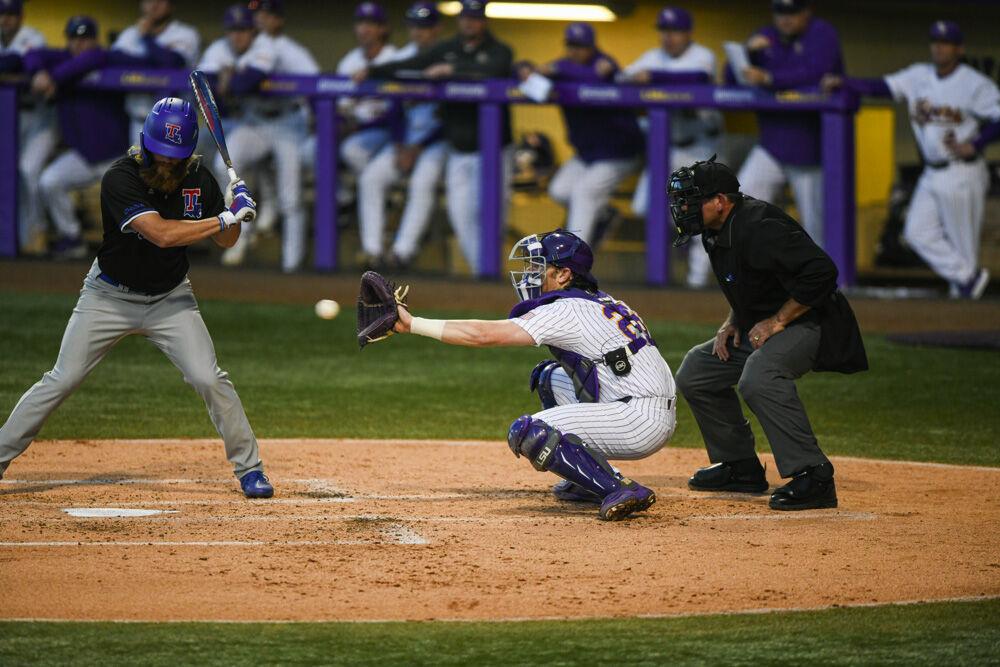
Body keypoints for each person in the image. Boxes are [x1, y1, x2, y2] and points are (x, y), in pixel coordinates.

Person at [0, 97, 271, 499]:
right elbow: (160, 233)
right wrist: (225, 218)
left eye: (172, 158)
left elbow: (225, 238)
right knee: (62, 379)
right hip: (107, 296)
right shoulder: (120, 177)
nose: (164, 164)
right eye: (159, 154)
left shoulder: (200, 178)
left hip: (170, 299)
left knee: (209, 378)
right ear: (145, 144)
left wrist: (237, 206)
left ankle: (250, 469)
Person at [389, 230, 677, 521]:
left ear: (564, 274)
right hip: (638, 402)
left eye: (539, 268)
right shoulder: (600, 301)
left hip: (639, 419)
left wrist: (412, 324)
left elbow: (483, 334)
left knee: (530, 432)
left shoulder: (567, 309)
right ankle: (586, 482)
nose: (530, 275)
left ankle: (619, 488)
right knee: (548, 377)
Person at [670, 157, 866, 511]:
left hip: (815, 322)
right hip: (766, 324)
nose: (683, 208)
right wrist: (732, 321)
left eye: (691, 199)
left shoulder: (760, 226)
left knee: (760, 377)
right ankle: (740, 467)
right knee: (698, 371)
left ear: (720, 201)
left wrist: (778, 321)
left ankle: (815, 475)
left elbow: (822, 272)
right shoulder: (716, 231)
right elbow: (751, 285)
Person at [823, 21, 998, 299]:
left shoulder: (975, 84)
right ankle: (968, 280)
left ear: (959, 48)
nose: (939, 47)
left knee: (963, 248)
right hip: (931, 173)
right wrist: (845, 82)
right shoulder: (919, 76)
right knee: (916, 232)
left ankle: (965, 306)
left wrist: (975, 144)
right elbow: (881, 87)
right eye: (936, 42)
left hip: (962, 172)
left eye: (946, 43)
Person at [361, 0, 515, 275]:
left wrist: (453, 72)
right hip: (459, 148)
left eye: (475, 17)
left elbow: (495, 71)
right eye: (465, 16)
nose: (469, 22)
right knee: (460, 215)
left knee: (492, 216)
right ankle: (485, 276)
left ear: (484, 21)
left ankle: (493, 274)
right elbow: (412, 64)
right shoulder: (448, 48)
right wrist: (372, 71)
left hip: (494, 150)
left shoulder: (500, 50)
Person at [211, 0, 320, 272]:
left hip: (288, 122)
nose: (260, 19)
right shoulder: (229, 48)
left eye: (265, 14)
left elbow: (249, 80)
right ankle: (240, 237)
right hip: (256, 121)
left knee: (291, 195)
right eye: (256, 13)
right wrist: (223, 83)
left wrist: (230, 81)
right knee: (222, 164)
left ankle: (292, 265)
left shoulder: (278, 49)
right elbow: (209, 82)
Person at [728, 0, 843, 248]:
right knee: (739, 210)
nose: (786, 19)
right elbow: (731, 78)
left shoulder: (822, 34)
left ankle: (828, 284)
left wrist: (770, 77)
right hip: (772, 146)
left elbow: (817, 73)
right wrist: (747, 52)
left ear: (807, 12)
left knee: (816, 228)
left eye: (792, 12)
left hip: (810, 151)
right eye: (780, 12)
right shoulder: (765, 36)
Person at [621, 6, 720, 287]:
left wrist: (653, 78)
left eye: (675, 31)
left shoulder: (702, 55)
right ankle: (686, 238)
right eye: (664, 31)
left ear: (687, 33)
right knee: (644, 207)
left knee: (699, 212)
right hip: (665, 148)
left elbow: (699, 79)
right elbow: (622, 77)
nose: (669, 37)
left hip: (699, 146)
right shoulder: (653, 57)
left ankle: (696, 283)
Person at [519, 22, 644, 246]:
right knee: (559, 191)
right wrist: (527, 69)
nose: (575, 51)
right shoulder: (563, 66)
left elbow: (596, 78)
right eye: (571, 45)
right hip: (587, 155)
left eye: (581, 46)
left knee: (583, 194)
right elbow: (526, 76)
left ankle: (574, 263)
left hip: (619, 154)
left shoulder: (605, 64)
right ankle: (605, 214)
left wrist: (556, 71)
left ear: (592, 46)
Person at [24, 16, 130, 259]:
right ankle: (71, 237)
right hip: (84, 155)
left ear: (95, 40)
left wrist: (53, 78)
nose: (80, 44)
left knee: (134, 207)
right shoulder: (62, 59)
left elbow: (95, 57)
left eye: (86, 38)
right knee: (49, 181)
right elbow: (31, 55)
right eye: (75, 39)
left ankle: (143, 251)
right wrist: (38, 72)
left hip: (116, 157)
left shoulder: (104, 58)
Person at [356, 1, 447, 269]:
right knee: (371, 178)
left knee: (422, 183)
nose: (419, 32)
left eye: (425, 27)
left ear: (437, 29)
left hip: (435, 141)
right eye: (415, 27)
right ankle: (372, 250)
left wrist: (418, 148)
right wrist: (398, 145)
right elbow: (394, 106)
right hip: (404, 139)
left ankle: (402, 252)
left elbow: (451, 114)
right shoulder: (402, 58)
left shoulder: (446, 58)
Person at [0, 0, 56, 256]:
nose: (6, 19)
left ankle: (37, 231)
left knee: (28, 170)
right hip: (8, 119)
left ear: (20, 17)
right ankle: (20, 240)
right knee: (10, 176)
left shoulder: (33, 36)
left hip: (39, 118)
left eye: (11, 14)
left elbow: (15, 62)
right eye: (2, 14)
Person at [111, 0, 200, 141]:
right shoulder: (130, 34)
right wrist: (156, 61)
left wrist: (147, 38)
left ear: (171, 5)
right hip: (138, 123)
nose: (154, 5)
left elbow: (173, 62)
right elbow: (114, 60)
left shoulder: (185, 33)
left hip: (176, 125)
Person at [337, 3, 398, 185]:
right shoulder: (349, 61)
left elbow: (398, 109)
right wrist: (342, 124)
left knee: (352, 150)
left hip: (386, 129)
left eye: (371, 23)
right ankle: (345, 197)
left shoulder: (394, 58)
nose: (364, 29)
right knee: (313, 150)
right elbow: (342, 106)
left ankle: (380, 193)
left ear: (383, 28)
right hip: (356, 127)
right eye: (361, 23)